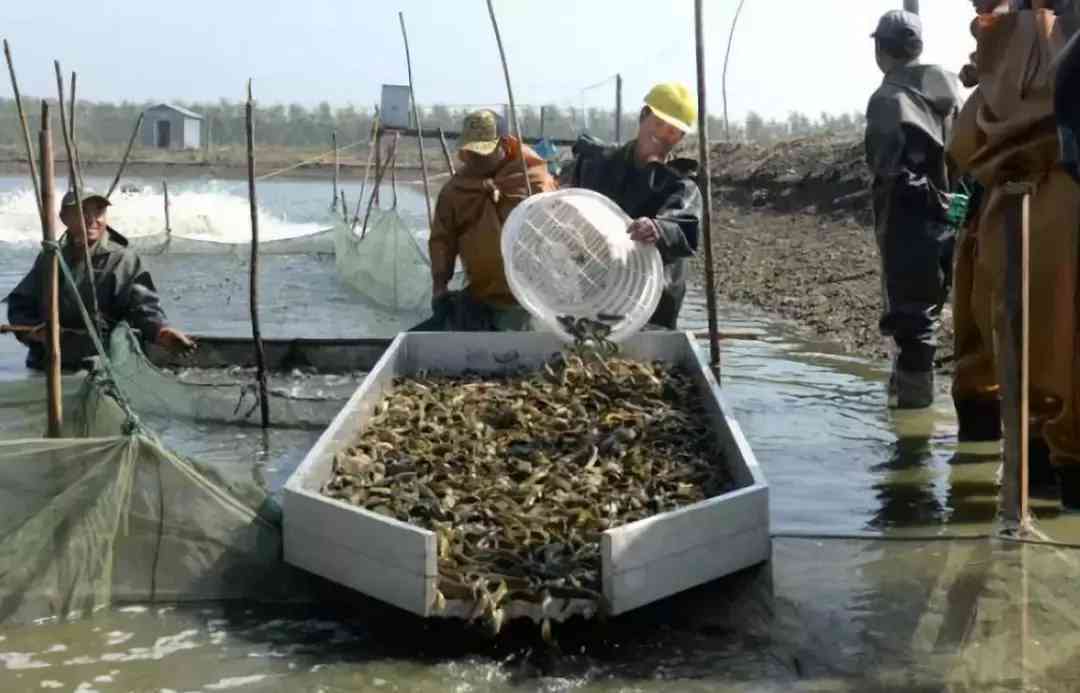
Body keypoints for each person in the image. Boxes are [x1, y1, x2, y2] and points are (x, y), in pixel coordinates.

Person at [949, 1, 1080, 505]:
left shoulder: (1014, 44)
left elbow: (964, 145)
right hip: (1042, 205)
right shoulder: (1038, 38)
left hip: (1011, 213)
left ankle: (1009, 479)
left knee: (1013, 349)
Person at [864, 10, 963, 409]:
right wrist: (951, 209)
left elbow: (894, 176)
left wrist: (935, 205)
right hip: (948, 225)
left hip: (909, 227)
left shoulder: (888, 99)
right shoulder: (948, 95)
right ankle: (917, 408)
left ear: (880, 51)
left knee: (911, 326)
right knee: (929, 318)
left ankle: (912, 432)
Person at [4, 189, 194, 370]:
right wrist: (34, 332)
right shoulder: (51, 256)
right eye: (82, 212)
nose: (92, 220)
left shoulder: (122, 259)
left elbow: (144, 308)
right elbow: (21, 303)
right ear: (64, 218)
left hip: (102, 363)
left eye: (99, 212)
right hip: (47, 363)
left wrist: (161, 331)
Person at [565, 83, 703, 329]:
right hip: (597, 285)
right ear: (643, 116)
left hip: (655, 297)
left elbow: (684, 226)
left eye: (673, 131)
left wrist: (657, 228)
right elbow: (572, 201)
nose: (662, 134)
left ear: (681, 137)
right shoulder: (599, 162)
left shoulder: (681, 184)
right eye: (658, 124)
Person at [421, 109, 557, 332]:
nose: (476, 158)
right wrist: (439, 284)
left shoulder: (534, 180)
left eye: (483, 152)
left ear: (505, 144)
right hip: (482, 299)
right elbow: (442, 240)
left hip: (531, 300)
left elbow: (560, 231)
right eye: (471, 151)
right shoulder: (455, 191)